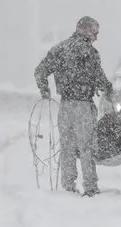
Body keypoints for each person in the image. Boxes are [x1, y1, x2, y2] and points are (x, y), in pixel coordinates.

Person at [35, 16, 114, 196]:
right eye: (95, 32)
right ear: (85, 29)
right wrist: (108, 88)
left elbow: (40, 71)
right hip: (84, 106)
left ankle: (68, 184)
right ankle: (90, 187)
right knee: (86, 147)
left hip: (65, 106)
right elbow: (99, 79)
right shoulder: (90, 53)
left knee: (67, 146)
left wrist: (45, 90)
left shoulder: (59, 49)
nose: (96, 36)